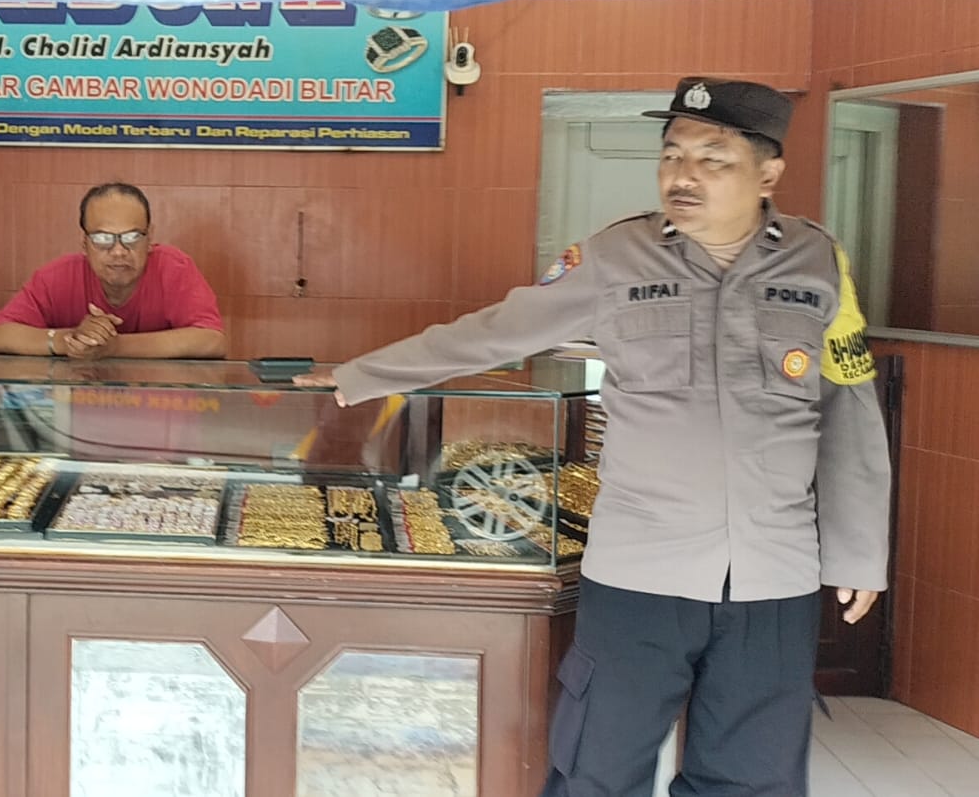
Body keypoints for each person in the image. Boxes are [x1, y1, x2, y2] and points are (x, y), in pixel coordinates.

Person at [297, 77, 891, 796]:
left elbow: (849, 408)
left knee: (753, 779)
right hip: (639, 574)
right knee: (596, 774)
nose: (683, 175)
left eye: (712, 159)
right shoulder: (615, 257)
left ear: (768, 174)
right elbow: (497, 330)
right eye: (671, 155)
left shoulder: (819, 262)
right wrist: (363, 374)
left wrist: (860, 552)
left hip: (774, 576)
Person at [0, 182, 226, 359]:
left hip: (159, 406)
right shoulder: (56, 277)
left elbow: (211, 340)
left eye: (131, 237)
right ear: (84, 243)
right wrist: (70, 340)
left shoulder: (174, 269)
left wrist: (115, 347)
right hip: (80, 407)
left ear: (149, 237)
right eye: (103, 238)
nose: (118, 251)